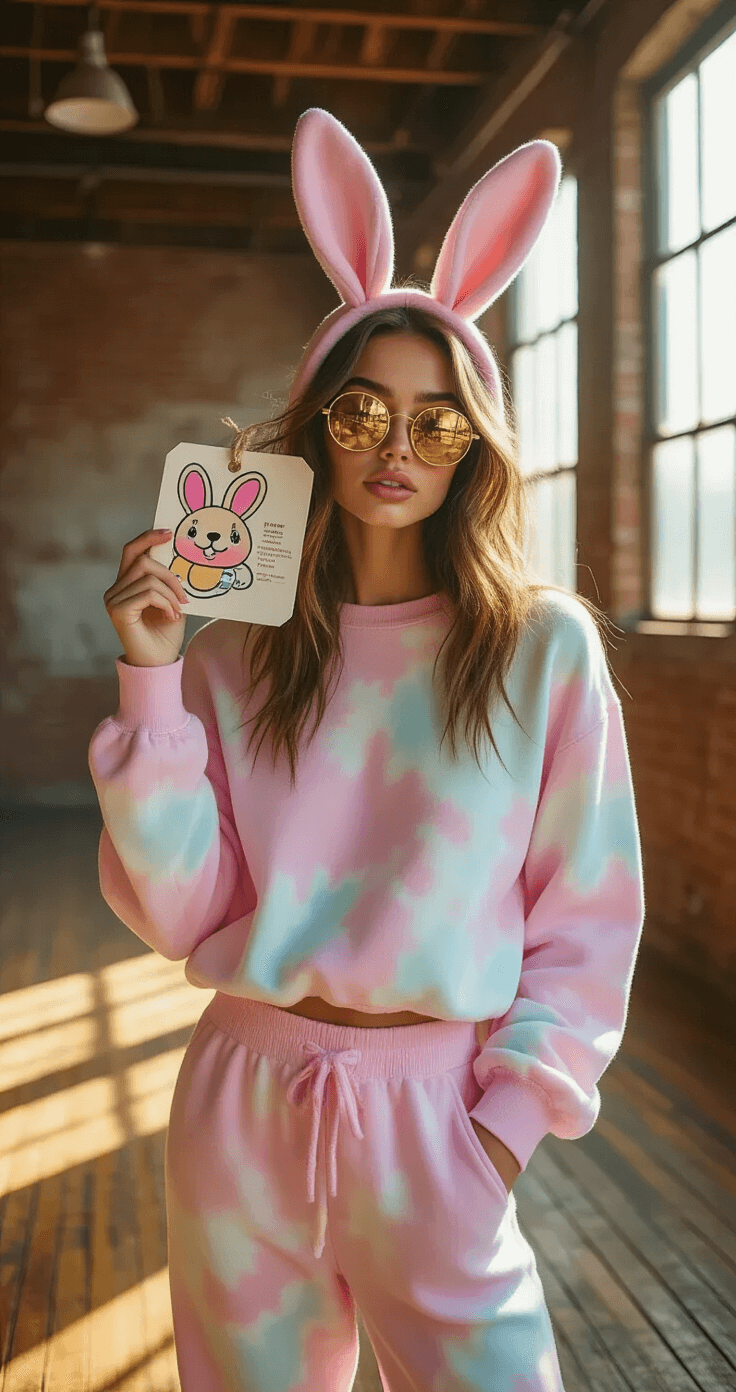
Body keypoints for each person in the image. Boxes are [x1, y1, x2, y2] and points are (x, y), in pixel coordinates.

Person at [88, 108, 645, 1392]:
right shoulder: (234, 647)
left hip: (439, 1118)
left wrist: (500, 1134)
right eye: (362, 414)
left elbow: (587, 918)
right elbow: (179, 911)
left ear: (476, 447)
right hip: (240, 1096)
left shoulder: (542, 651)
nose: (399, 447)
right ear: (313, 423)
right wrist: (155, 674)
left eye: (438, 423)